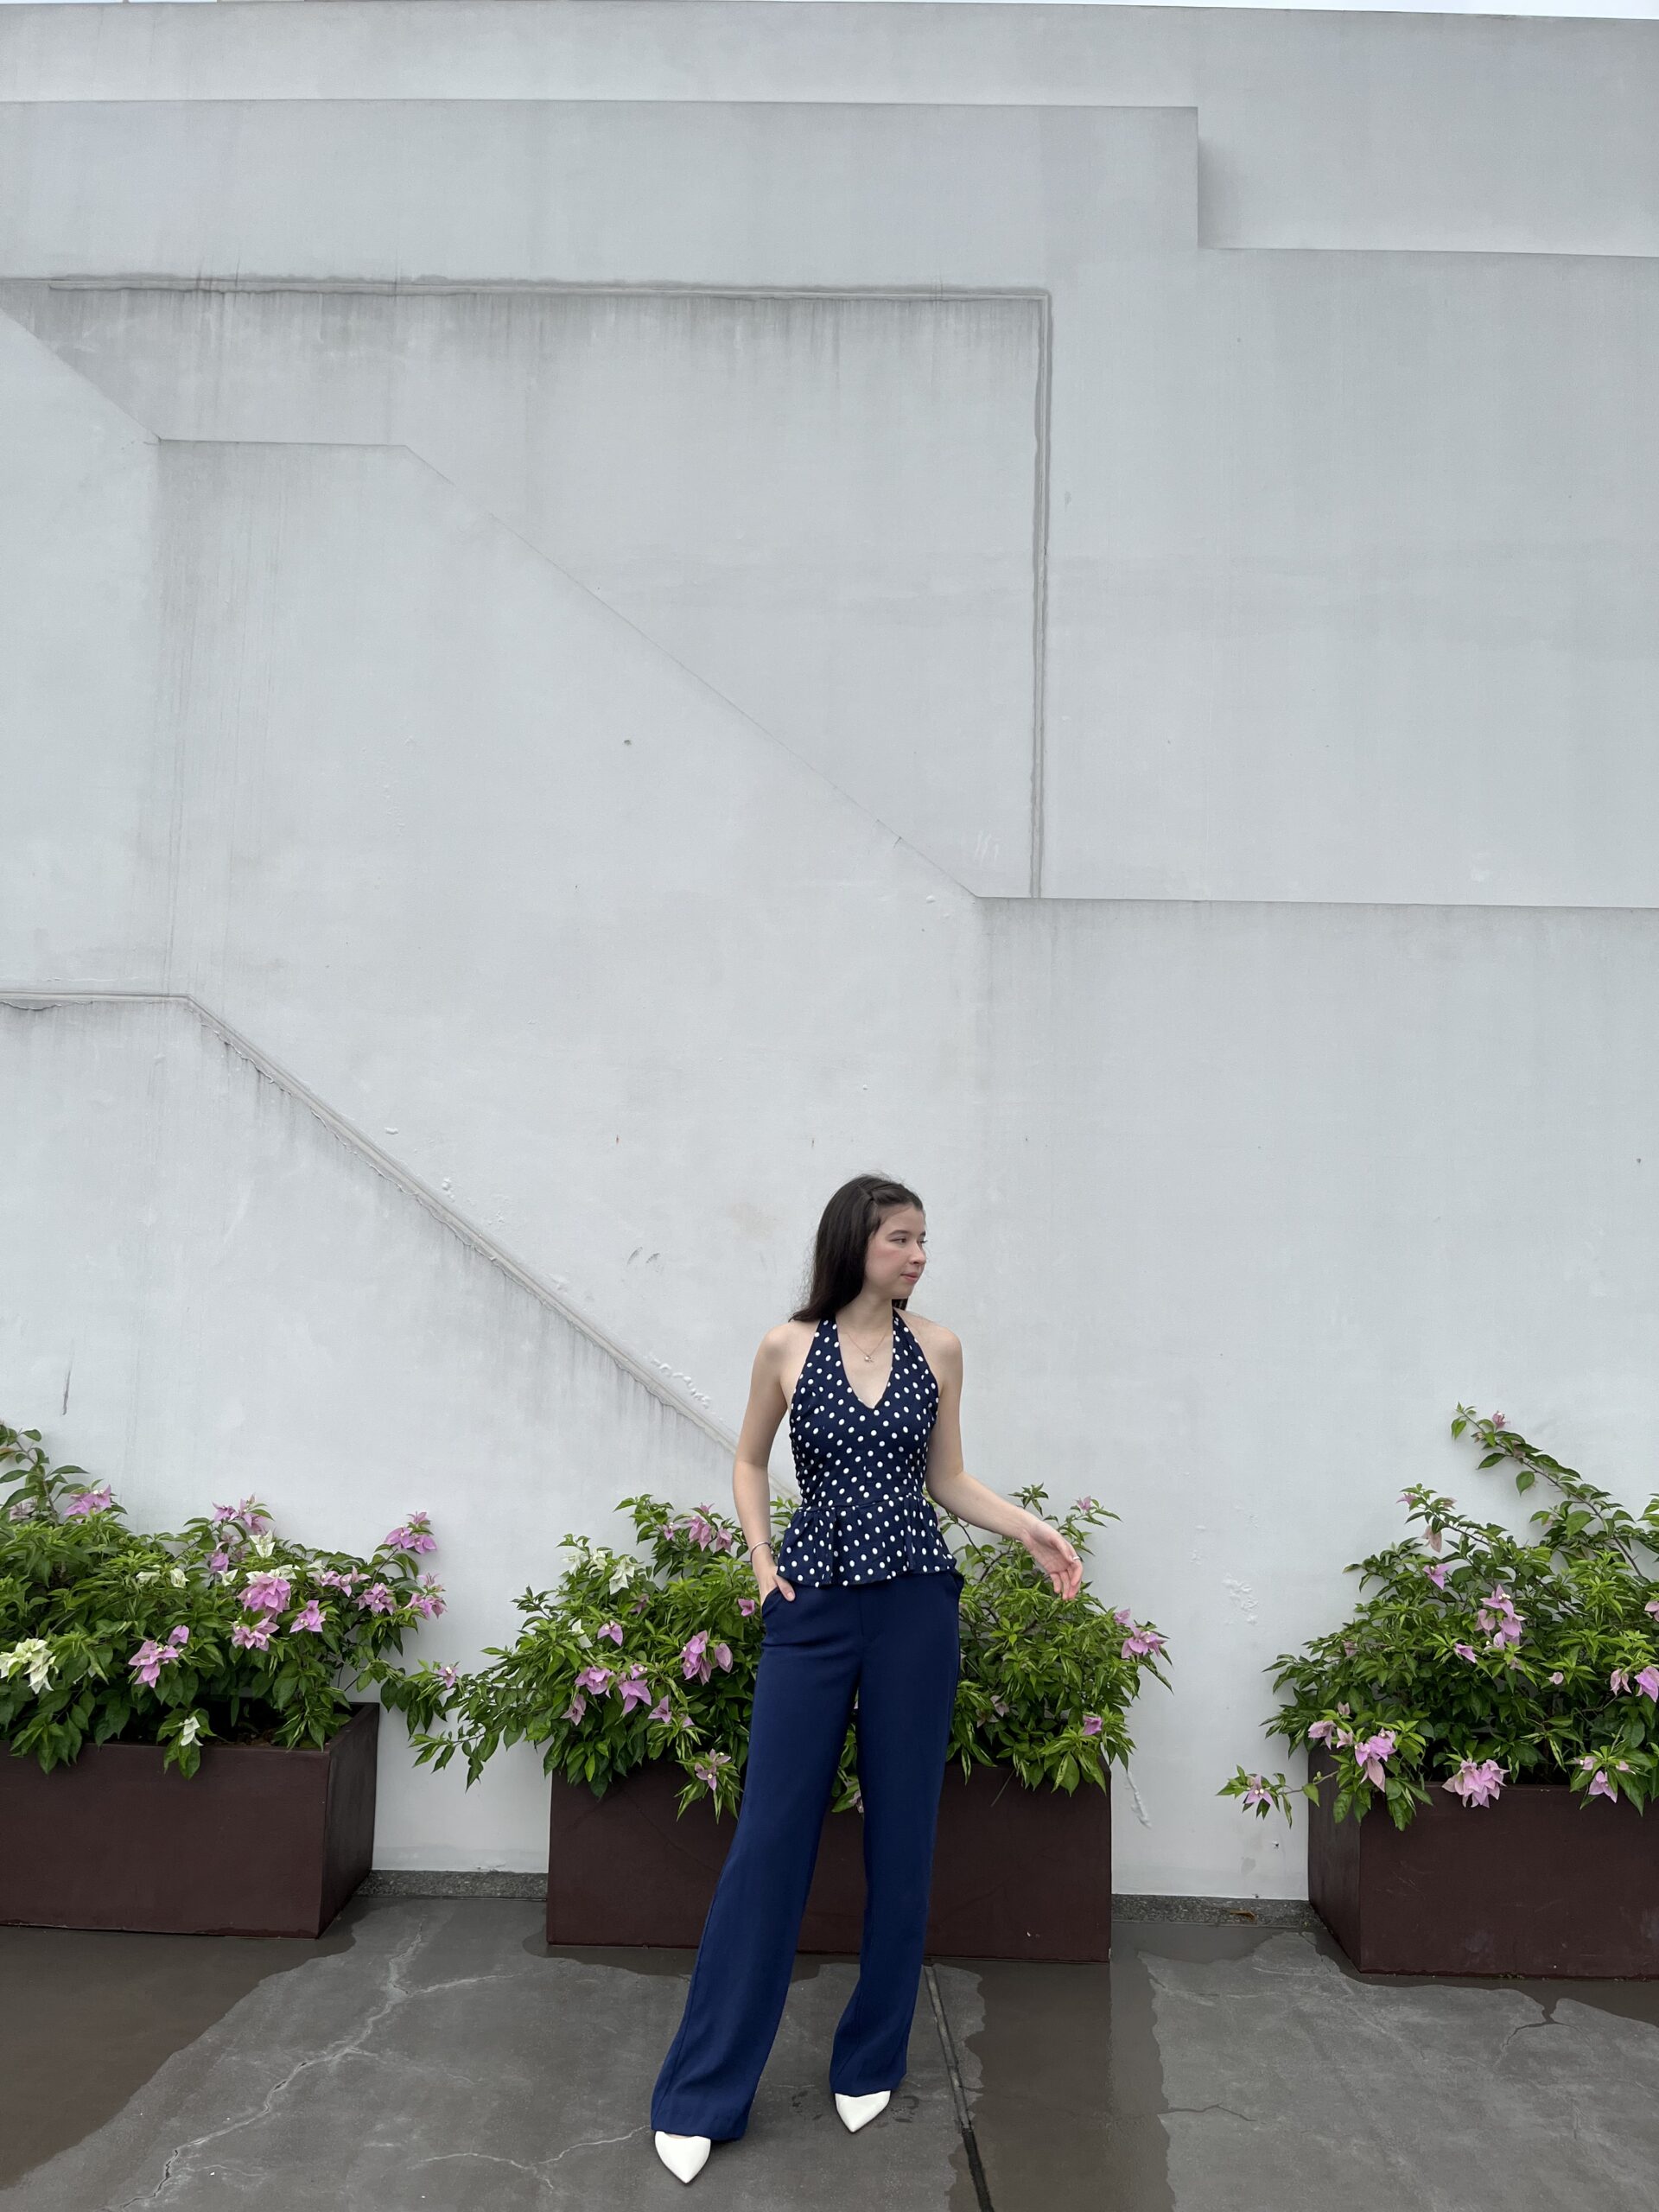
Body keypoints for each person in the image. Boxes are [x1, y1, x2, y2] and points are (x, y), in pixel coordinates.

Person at [651, 1173, 1084, 2183]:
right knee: (770, 1838)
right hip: (810, 1606)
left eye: (924, 1239)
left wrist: (1026, 1528)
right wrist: (762, 1561)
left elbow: (947, 1478)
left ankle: (872, 2056)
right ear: (857, 1240)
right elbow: (749, 1461)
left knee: (903, 1834)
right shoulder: (786, 1346)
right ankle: (702, 2089)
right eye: (901, 1237)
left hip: (916, 1609)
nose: (919, 1255)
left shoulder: (940, 1348)